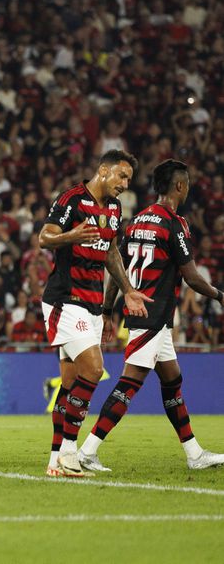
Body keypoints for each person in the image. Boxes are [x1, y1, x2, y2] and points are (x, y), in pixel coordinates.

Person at [79, 159, 224, 471]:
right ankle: (87, 450)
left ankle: (194, 453)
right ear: (180, 186)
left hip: (145, 314)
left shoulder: (137, 221)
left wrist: (107, 309)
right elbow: (192, 278)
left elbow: (115, 267)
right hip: (153, 314)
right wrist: (220, 296)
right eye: (188, 184)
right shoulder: (174, 223)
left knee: (172, 379)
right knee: (130, 381)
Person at [39, 149, 152, 478]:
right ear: (103, 170)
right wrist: (71, 235)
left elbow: (111, 251)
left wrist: (127, 290)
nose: (125, 184)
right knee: (94, 369)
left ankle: (54, 459)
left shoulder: (114, 209)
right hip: (65, 299)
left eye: (129, 179)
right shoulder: (71, 199)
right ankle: (71, 453)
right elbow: (44, 237)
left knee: (71, 382)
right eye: (121, 176)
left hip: (91, 304)